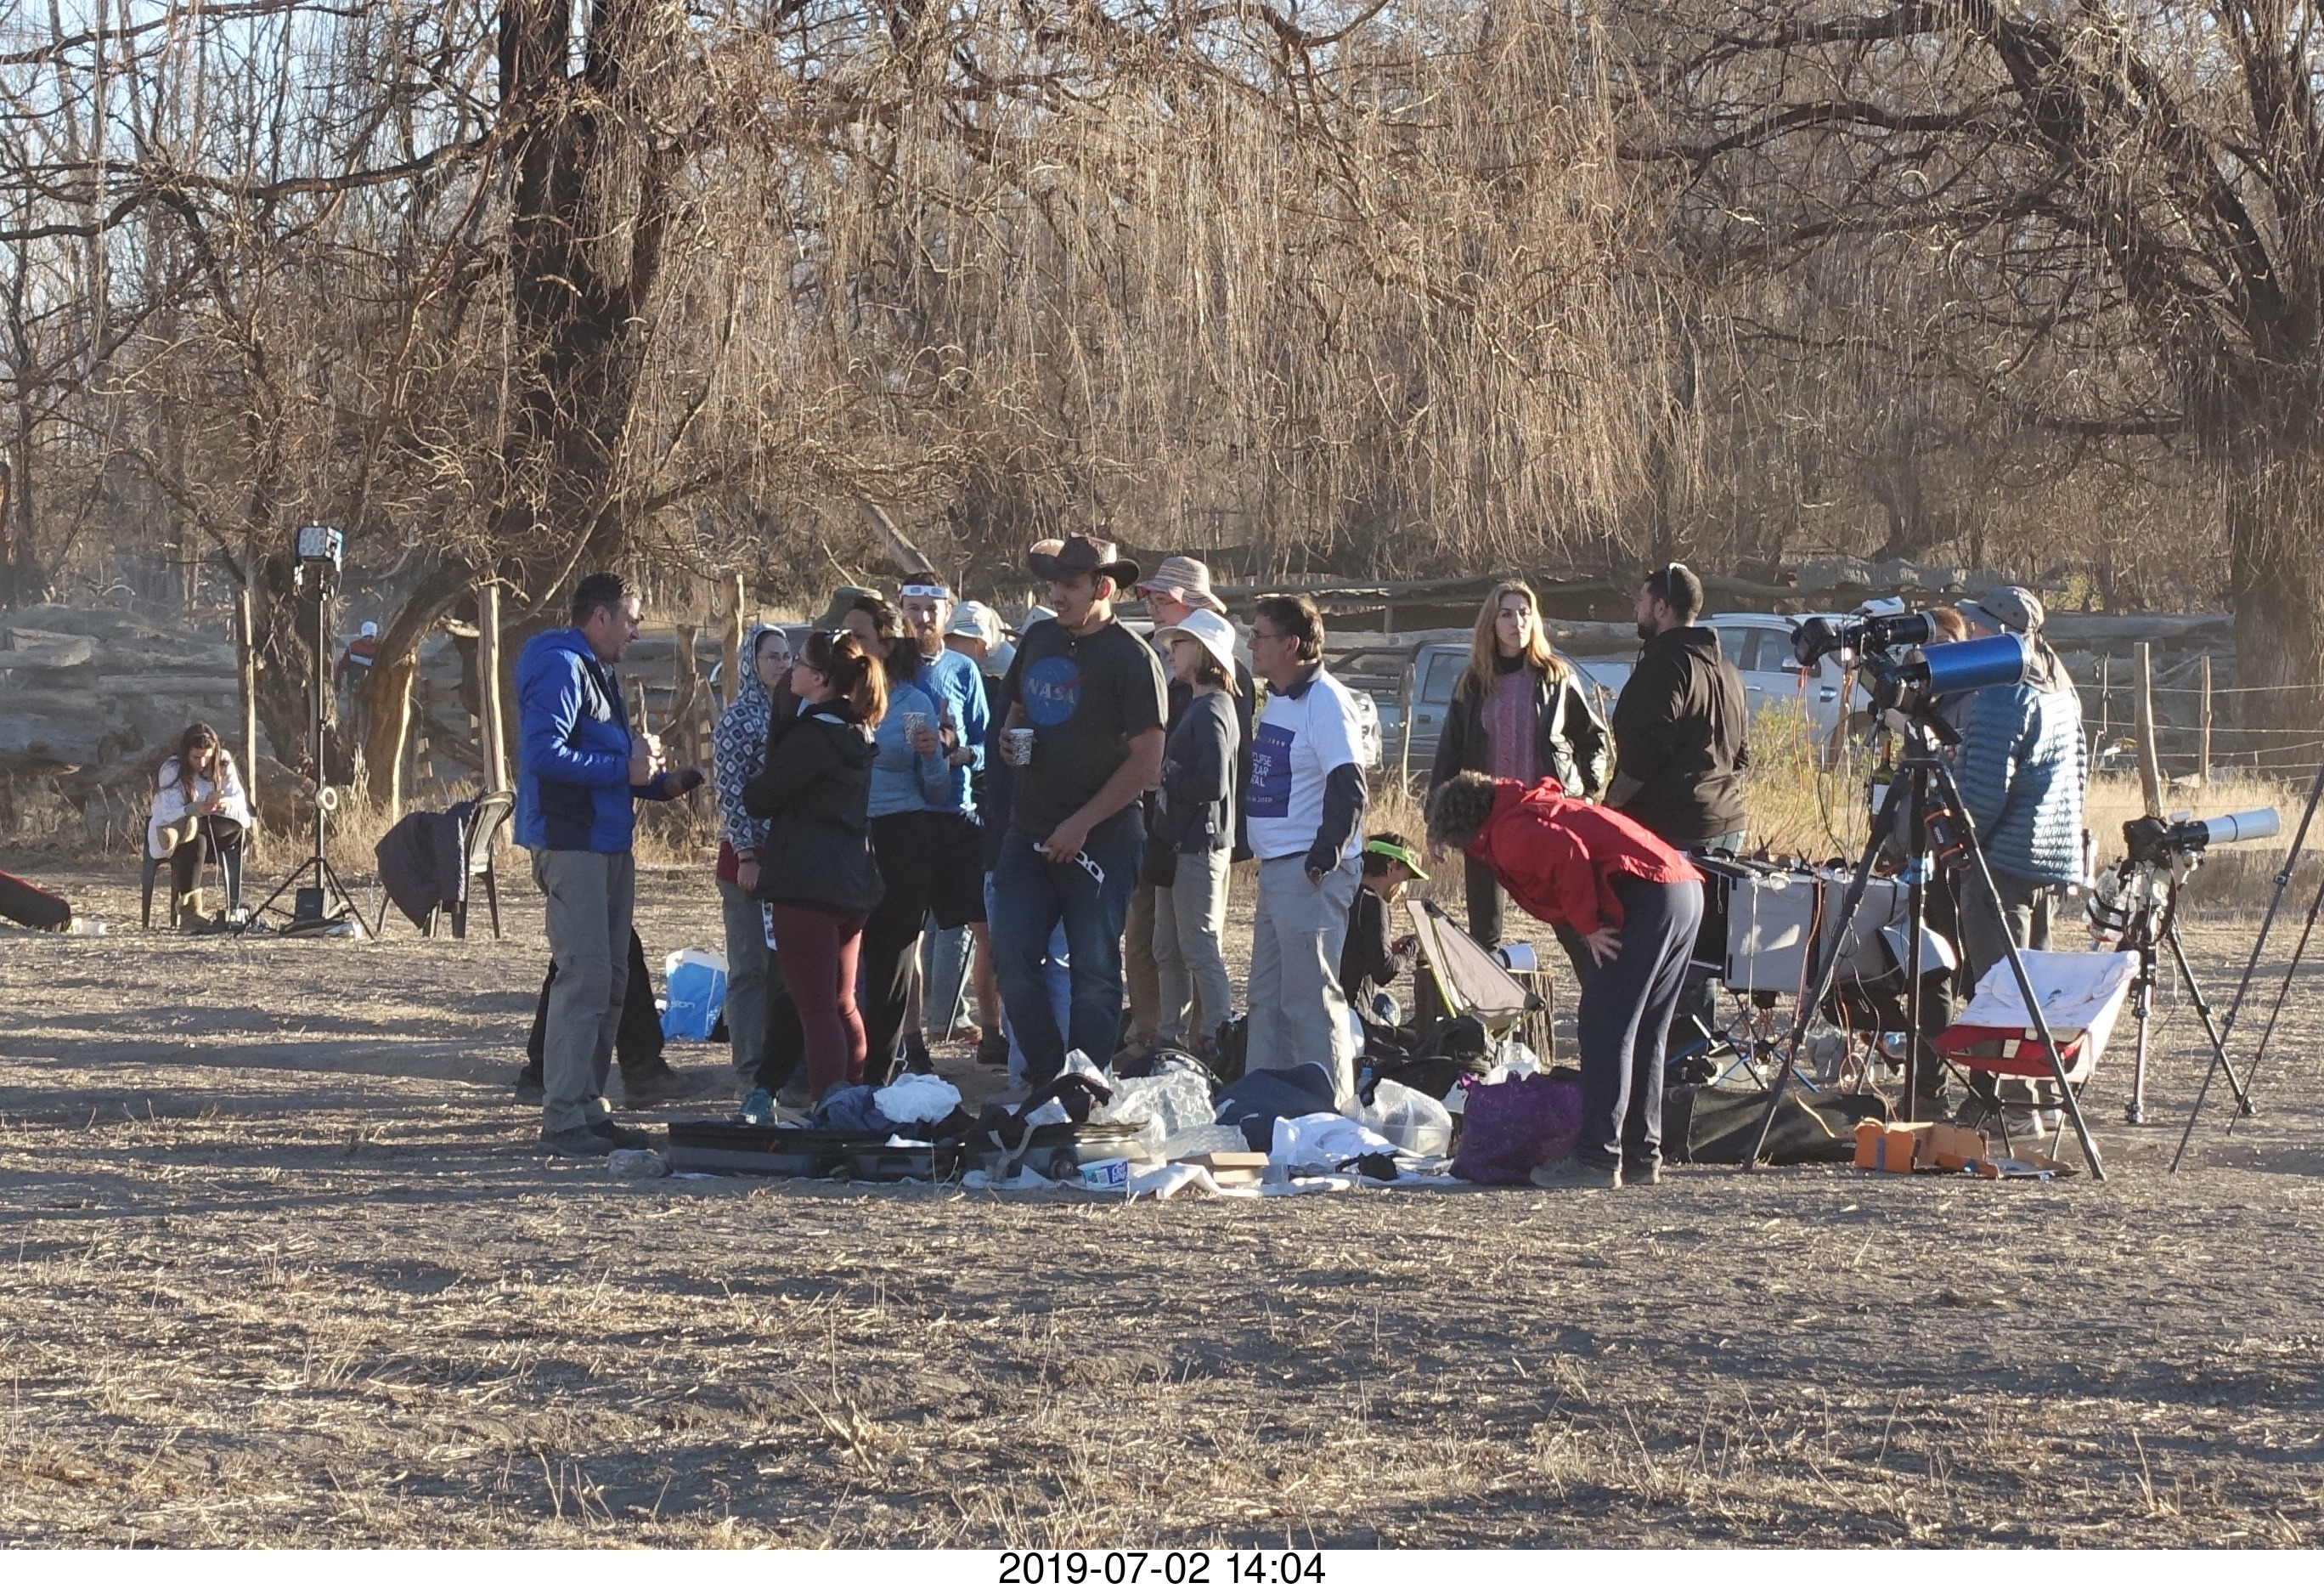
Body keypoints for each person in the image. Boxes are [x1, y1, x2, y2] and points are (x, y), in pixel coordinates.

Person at [1427, 771, 1703, 1191]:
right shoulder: (1529, 807)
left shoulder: (1508, 832)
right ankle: (1640, 1155)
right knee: (1647, 1028)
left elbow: (1566, 852)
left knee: (1605, 1026)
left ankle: (1597, 1157)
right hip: (1681, 887)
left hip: (1646, 894)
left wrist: (1587, 924)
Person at [515, 573, 705, 1157]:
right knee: (586, 976)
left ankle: (587, 1107)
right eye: (631, 619)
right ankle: (564, 1116)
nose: (636, 631)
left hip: (608, 841)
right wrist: (623, 769)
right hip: (572, 843)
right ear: (600, 616)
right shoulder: (561, 665)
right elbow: (544, 755)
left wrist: (656, 784)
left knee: (613, 978)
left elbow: (602, 759)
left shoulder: (597, 671)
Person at [991, 536, 1168, 1092]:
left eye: (1069, 585)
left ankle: (1089, 1085)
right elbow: (1016, 710)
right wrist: (1010, 739)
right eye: (1054, 585)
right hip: (1028, 832)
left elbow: (1148, 762)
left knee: (1094, 972)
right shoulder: (1039, 637)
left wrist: (1082, 824)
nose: (1057, 596)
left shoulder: (1132, 658)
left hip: (1105, 843)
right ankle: (1049, 1077)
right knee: (1010, 957)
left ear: (1103, 588)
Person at [742, 629, 885, 1103]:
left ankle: (830, 1103)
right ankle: (852, 1098)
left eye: (800, 663)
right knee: (843, 1002)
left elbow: (761, 797)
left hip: (806, 883)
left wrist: (780, 728)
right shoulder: (856, 731)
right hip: (851, 881)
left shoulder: (812, 736)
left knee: (816, 1009)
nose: (791, 671)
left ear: (820, 679)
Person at [1429, 580, 1609, 950]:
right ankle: (1491, 989)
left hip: (1543, 819)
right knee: (1484, 937)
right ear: (1491, 624)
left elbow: (1594, 739)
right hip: (1486, 821)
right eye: (1507, 614)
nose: (1517, 623)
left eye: (1525, 613)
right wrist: (1436, 821)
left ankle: (1600, 987)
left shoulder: (1556, 678)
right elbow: (1449, 754)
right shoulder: (1472, 683)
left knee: (1573, 925)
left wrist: (1588, 794)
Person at [1243, 593, 1369, 1090]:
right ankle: (1264, 1105)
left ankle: (1329, 1112)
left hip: (1308, 873)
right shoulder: (1278, 698)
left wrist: (1321, 861)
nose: (1251, 645)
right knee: (1266, 1000)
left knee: (1311, 1001)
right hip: (1279, 869)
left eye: (1260, 636)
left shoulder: (1326, 702)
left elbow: (1349, 787)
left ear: (1292, 644)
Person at [1952, 586, 2088, 996]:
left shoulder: (2004, 694)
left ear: (2000, 635)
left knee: (2001, 994)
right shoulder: (2060, 687)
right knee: (2033, 994)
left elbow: (1983, 794)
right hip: (2047, 862)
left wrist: (1957, 847)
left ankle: (1993, 1044)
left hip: (2002, 867)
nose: (1970, 636)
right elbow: (2079, 772)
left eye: (1977, 628)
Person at [845, 594, 952, 1082]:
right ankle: (841, 1060)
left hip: (902, 833)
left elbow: (937, 790)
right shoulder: (837, 698)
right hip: (847, 835)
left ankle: (884, 1068)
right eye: (844, 636)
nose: (848, 645)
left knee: (892, 954)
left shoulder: (913, 703)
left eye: (858, 636)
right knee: (844, 953)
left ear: (885, 645)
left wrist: (931, 755)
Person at [898, 575, 991, 1065]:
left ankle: (993, 1031)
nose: (922, 618)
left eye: (931, 609)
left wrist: (960, 753)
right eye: (913, 608)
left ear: (947, 612)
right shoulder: (891, 669)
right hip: (906, 813)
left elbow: (985, 742)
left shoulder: (964, 669)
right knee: (907, 934)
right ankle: (912, 1039)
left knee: (985, 927)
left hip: (958, 813)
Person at [1148, 606, 1242, 1056]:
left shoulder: (1213, 710)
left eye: (1180, 643)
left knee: (1199, 947)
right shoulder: (1200, 705)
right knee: (1166, 947)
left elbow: (1213, 784)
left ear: (1205, 652)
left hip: (1199, 844)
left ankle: (1217, 1036)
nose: (1171, 650)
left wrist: (1167, 779)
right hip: (1178, 843)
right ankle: (1170, 1036)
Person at [1607, 562, 1749, 851]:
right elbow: (1741, 755)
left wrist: (1611, 803)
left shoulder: (1663, 666)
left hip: (1677, 830)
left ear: (1661, 608)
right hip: (1731, 824)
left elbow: (1645, 749)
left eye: (1642, 600)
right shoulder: (1728, 670)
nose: (1636, 610)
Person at [712, 625, 792, 1083]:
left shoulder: (793, 714)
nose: (781, 665)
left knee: (784, 970)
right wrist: (745, 853)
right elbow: (730, 792)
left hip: (787, 859)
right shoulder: (738, 719)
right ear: (751, 664)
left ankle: (778, 1070)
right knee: (749, 968)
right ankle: (747, 1070)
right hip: (747, 859)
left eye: (786, 657)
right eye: (771, 657)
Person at [931, 599, 1007, 1052]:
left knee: (962, 929)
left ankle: (958, 1020)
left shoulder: (977, 681)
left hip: (968, 809)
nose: (966, 648)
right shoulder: (927, 673)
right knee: (964, 929)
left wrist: (967, 755)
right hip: (955, 814)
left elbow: (982, 744)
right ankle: (950, 1018)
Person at [148, 722, 251, 926]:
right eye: (195, 757)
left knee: (196, 830)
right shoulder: (172, 769)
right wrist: (193, 809)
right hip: (190, 834)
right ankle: (191, 913)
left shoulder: (223, 762)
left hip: (222, 830)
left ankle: (180, 831)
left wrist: (225, 804)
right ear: (186, 753)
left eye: (207, 757)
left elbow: (239, 803)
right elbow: (168, 810)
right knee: (195, 840)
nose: (202, 763)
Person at [1341, 833, 1427, 1021]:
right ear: (1391, 866)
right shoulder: (1374, 903)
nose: (1403, 890)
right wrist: (1414, 944)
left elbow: (1352, 955)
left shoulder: (1345, 893)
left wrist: (1389, 949)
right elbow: (1384, 972)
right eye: (1405, 879)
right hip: (1353, 1019)